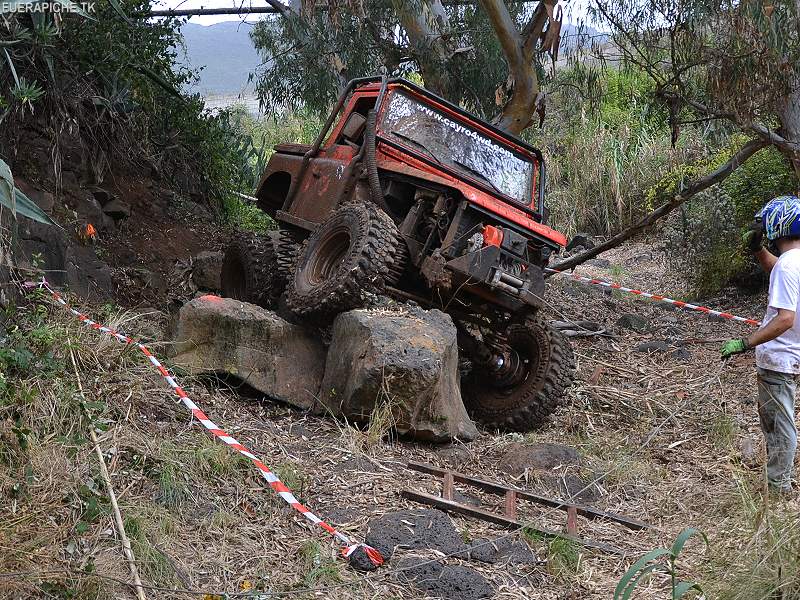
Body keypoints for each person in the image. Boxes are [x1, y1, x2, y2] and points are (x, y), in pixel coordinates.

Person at [721, 195, 800, 497]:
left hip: (779, 359)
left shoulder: (788, 266)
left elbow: (785, 319)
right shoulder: (793, 263)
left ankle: (778, 492)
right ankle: (780, 482)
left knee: (780, 429)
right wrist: (757, 249)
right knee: (780, 424)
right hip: (792, 357)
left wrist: (745, 342)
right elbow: (779, 270)